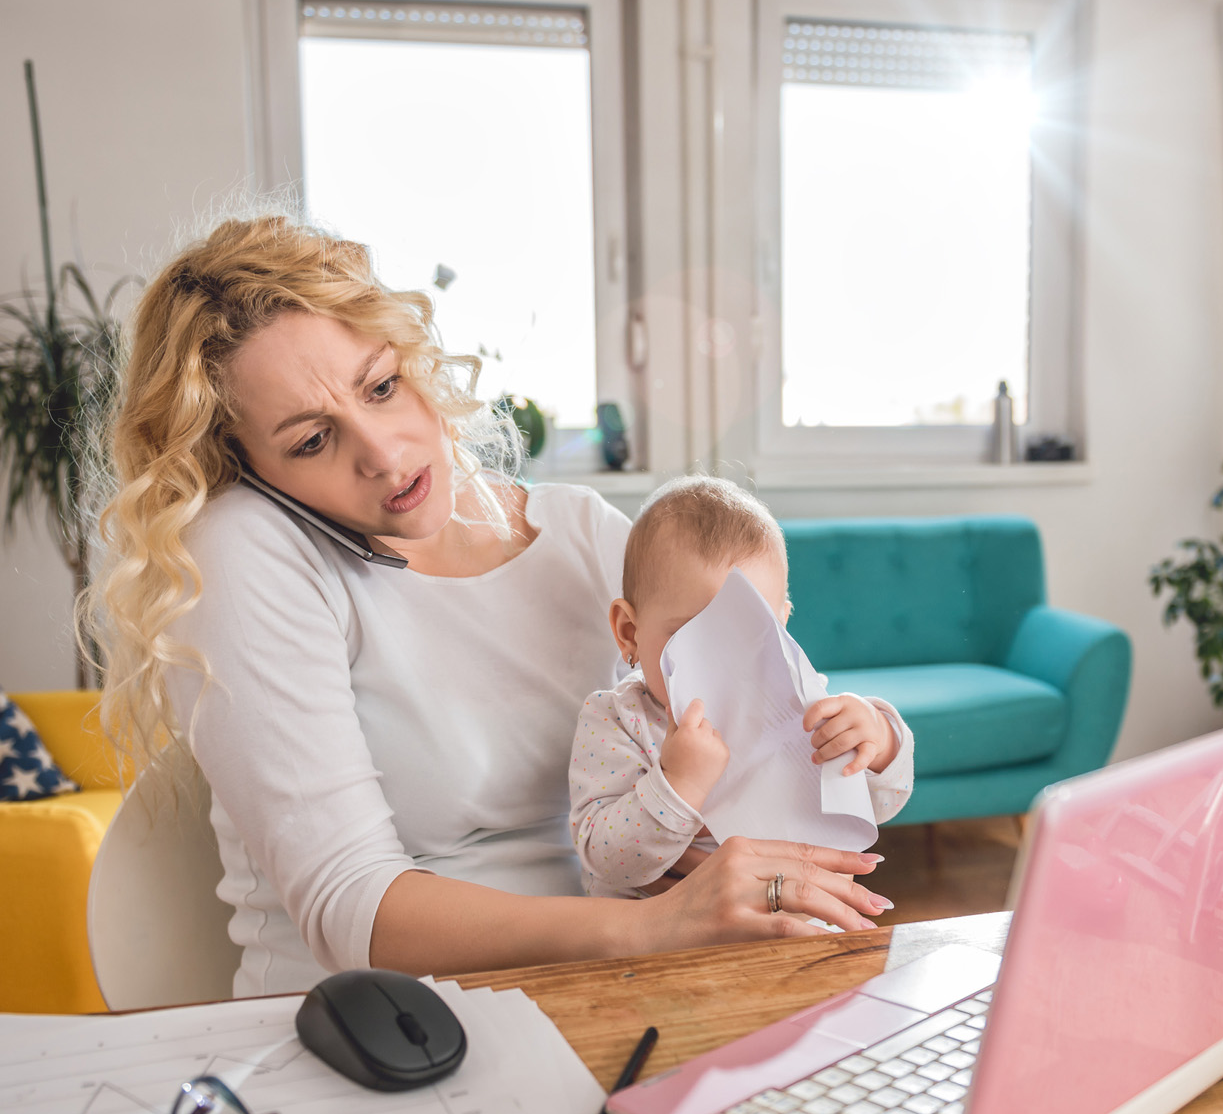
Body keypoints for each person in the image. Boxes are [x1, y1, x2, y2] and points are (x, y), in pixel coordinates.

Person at [87, 215, 890, 996]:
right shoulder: (247, 546)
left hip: (624, 987)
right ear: (248, 468)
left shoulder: (579, 532)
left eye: (381, 386)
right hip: (387, 1027)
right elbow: (350, 903)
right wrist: (657, 924)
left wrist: (844, 758)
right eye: (310, 441)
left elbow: (777, 733)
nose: (382, 452)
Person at [570, 476, 914, 897]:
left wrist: (878, 741)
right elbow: (605, 859)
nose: (721, 661)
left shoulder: (801, 706)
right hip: (662, 936)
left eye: (750, 634)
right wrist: (680, 783)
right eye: (690, 636)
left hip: (794, 916)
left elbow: (881, 804)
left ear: (782, 627)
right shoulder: (619, 719)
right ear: (630, 632)